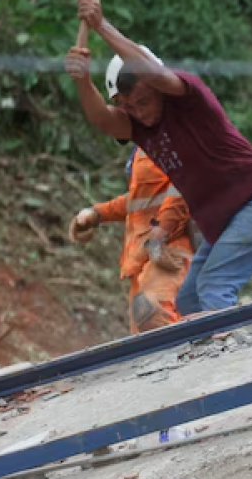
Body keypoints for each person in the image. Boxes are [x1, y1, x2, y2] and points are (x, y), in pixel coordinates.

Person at [63, 0, 252, 316]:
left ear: (156, 87)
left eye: (143, 101)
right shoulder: (142, 129)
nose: (138, 113)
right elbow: (102, 118)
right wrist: (82, 80)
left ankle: (229, 359)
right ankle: (203, 359)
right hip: (227, 223)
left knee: (214, 287)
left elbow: (155, 75)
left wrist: (101, 26)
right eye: (128, 106)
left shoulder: (190, 98)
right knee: (189, 302)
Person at [68, 137, 195, 333]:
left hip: (168, 252)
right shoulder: (144, 148)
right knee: (145, 338)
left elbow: (184, 190)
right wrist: (97, 214)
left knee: (157, 319)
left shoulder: (173, 140)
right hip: (145, 257)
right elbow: (141, 201)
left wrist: (158, 237)